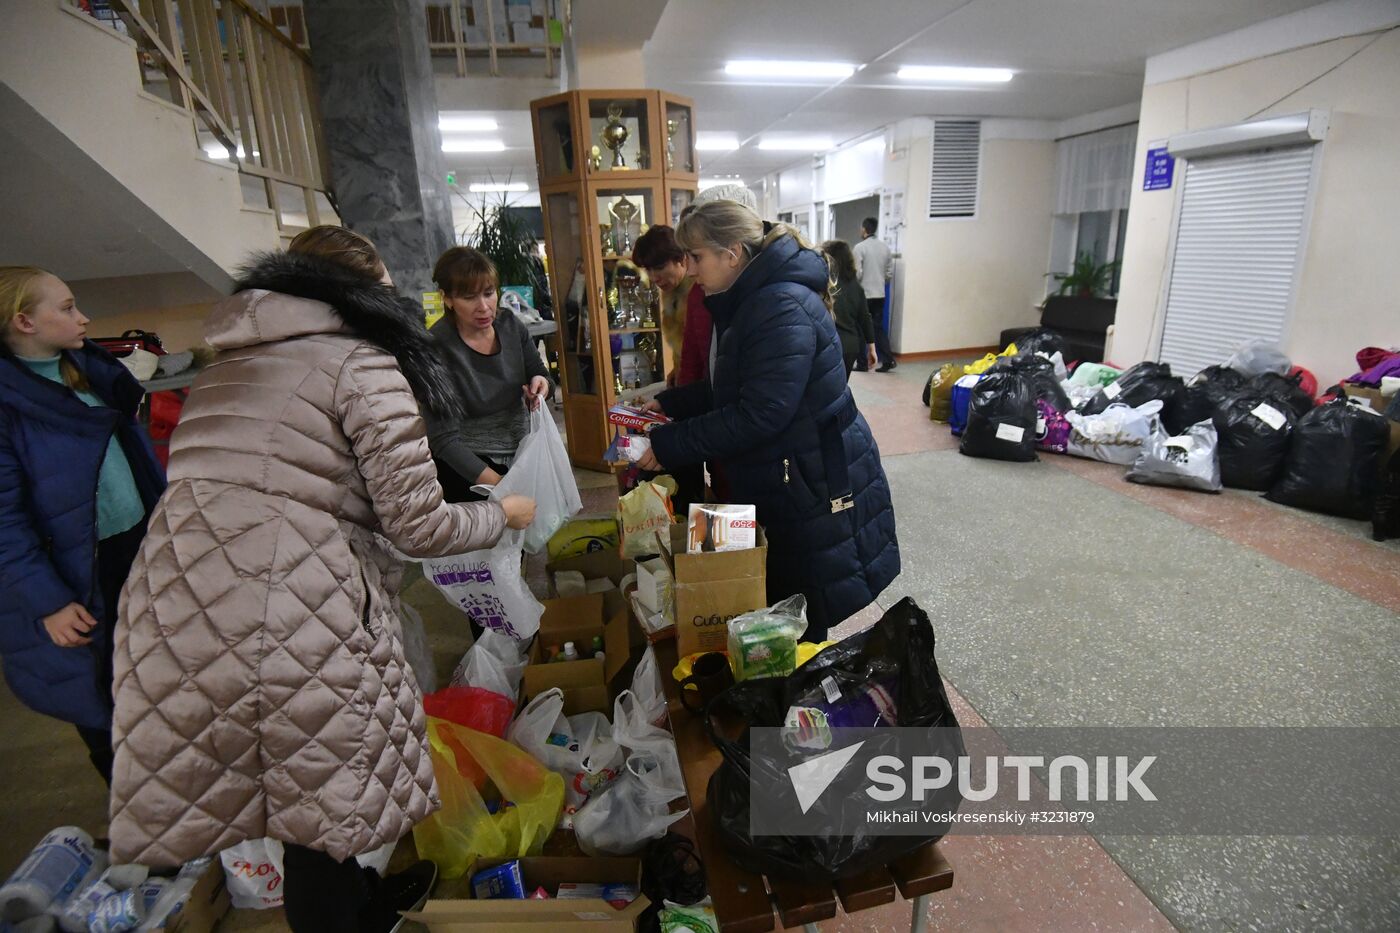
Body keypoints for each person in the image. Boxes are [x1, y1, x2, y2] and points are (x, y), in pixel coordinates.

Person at [106, 227, 536, 933]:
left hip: (188, 603)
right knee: (316, 800)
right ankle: (347, 918)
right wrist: (500, 513)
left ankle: (362, 904)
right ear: (360, 292)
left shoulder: (228, 364)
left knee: (301, 788)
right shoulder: (360, 364)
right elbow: (417, 524)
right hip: (290, 604)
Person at [635, 201, 900, 641]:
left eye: (697, 257)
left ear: (732, 252)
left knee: (798, 608)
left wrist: (667, 445)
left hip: (802, 476)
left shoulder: (779, 305)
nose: (692, 270)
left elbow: (762, 413)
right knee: (769, 593)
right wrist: (672, 404)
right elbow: (737, 385)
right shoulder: (751, 298)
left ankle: (797, 697)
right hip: (781, 469)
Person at [0, 267, 166, 787]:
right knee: (101, 695)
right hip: (74, 573)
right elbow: (4, 520)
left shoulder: (88, 369)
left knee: (160, 680)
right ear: (24, 321)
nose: (84, 318)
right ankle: (144, 813)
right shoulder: (10, 404)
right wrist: (46, 601)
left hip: (135, 545)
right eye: (68, 307)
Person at [426, 246, 553, 502]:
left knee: (532, 537)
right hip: (469, 467)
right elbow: (443, 439)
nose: (484, 307)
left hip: (521, 451)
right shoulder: (436, 347)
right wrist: (502, 487)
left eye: (489, 293)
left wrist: (541, 385)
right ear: (447, 298)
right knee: (488, 539)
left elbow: (539, 374)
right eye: (469, 297)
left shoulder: (510, 325)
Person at [632, 224, 691, 387]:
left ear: (680, 259)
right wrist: (676, 370)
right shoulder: (671, 291)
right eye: (648, 269)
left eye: (659, 268)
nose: (653, 277)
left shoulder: (698, 292)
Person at [821, 240, 879, 376]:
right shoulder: (855, 285)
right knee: (841, 388)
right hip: (851, 347)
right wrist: (872, 347)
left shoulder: (824, 283)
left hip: (829, 345)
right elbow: (865, 318)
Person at [853, 217, 896, 372]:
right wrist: (879, 282)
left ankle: (862, 363)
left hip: (864, 294)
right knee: (877, 328)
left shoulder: (859, 247)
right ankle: (887, 360)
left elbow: (857, 273)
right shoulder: (885, 248)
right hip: (879, 294)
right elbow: (889, 273)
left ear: (864, 229)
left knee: (860, 328)